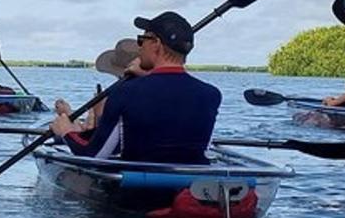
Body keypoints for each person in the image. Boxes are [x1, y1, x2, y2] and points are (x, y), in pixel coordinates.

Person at [50, 11, 221, 163]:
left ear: (157, 44)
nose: (139, 48)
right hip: (192, 189)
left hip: (137, 192)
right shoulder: (211, 94)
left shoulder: (124, 92)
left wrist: (66, 132)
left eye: (142, 40)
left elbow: (94, 155)